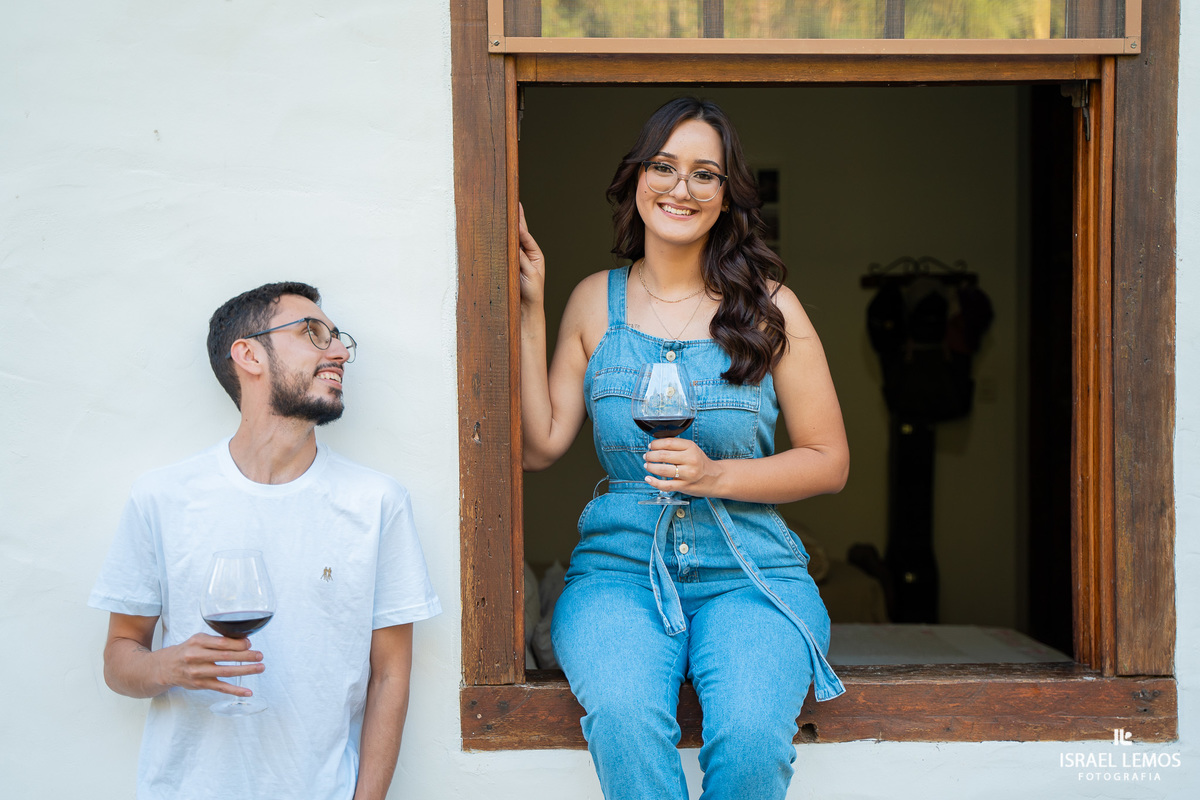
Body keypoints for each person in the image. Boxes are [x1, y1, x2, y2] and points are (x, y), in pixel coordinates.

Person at [518, 98, 849, 800]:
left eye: (705, 174)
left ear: (727, 196)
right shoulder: (591, 302)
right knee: (627, 721)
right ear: (637, 179)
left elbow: (828, 459)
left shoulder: (771, 307)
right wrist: (528, 307)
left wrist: (717, 473)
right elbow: (540, 445)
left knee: (755, 740)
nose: (680, 188)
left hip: (751, 574)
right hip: (619, 573)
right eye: (664, 167)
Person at [89, 282, 441, 800]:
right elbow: (120, 659)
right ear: (248, 354)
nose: (339, 352)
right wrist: (167, 665)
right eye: (312, 334)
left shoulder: (377, 503)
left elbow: (390, 675)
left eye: (338, 338)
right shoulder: (162, 498)